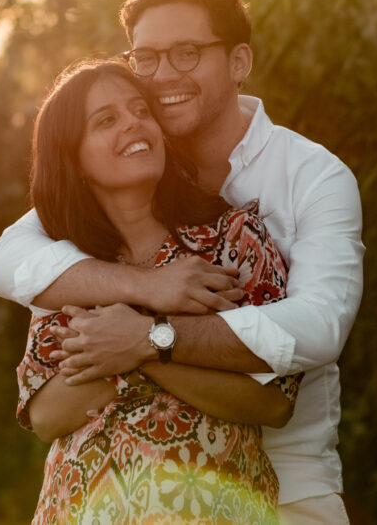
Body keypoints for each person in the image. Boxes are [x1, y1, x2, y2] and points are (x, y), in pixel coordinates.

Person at [0, 0, 364, 524]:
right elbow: (6, 261)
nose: (162, 77)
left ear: (239, 62)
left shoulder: (311, 179)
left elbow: (319, 328)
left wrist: (145, 341)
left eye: (186, 54)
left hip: (286, 485)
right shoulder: (89, 235)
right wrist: (144, 289)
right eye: (146, 58)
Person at [15, 58, 301, 523]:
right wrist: (158, 354)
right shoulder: (68, 267)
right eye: (106, 120)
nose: (134, 122)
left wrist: (141, 343)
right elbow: (46, 413)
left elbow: (272, 400)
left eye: (140, 110)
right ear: (75, 159)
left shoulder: (233, 237)